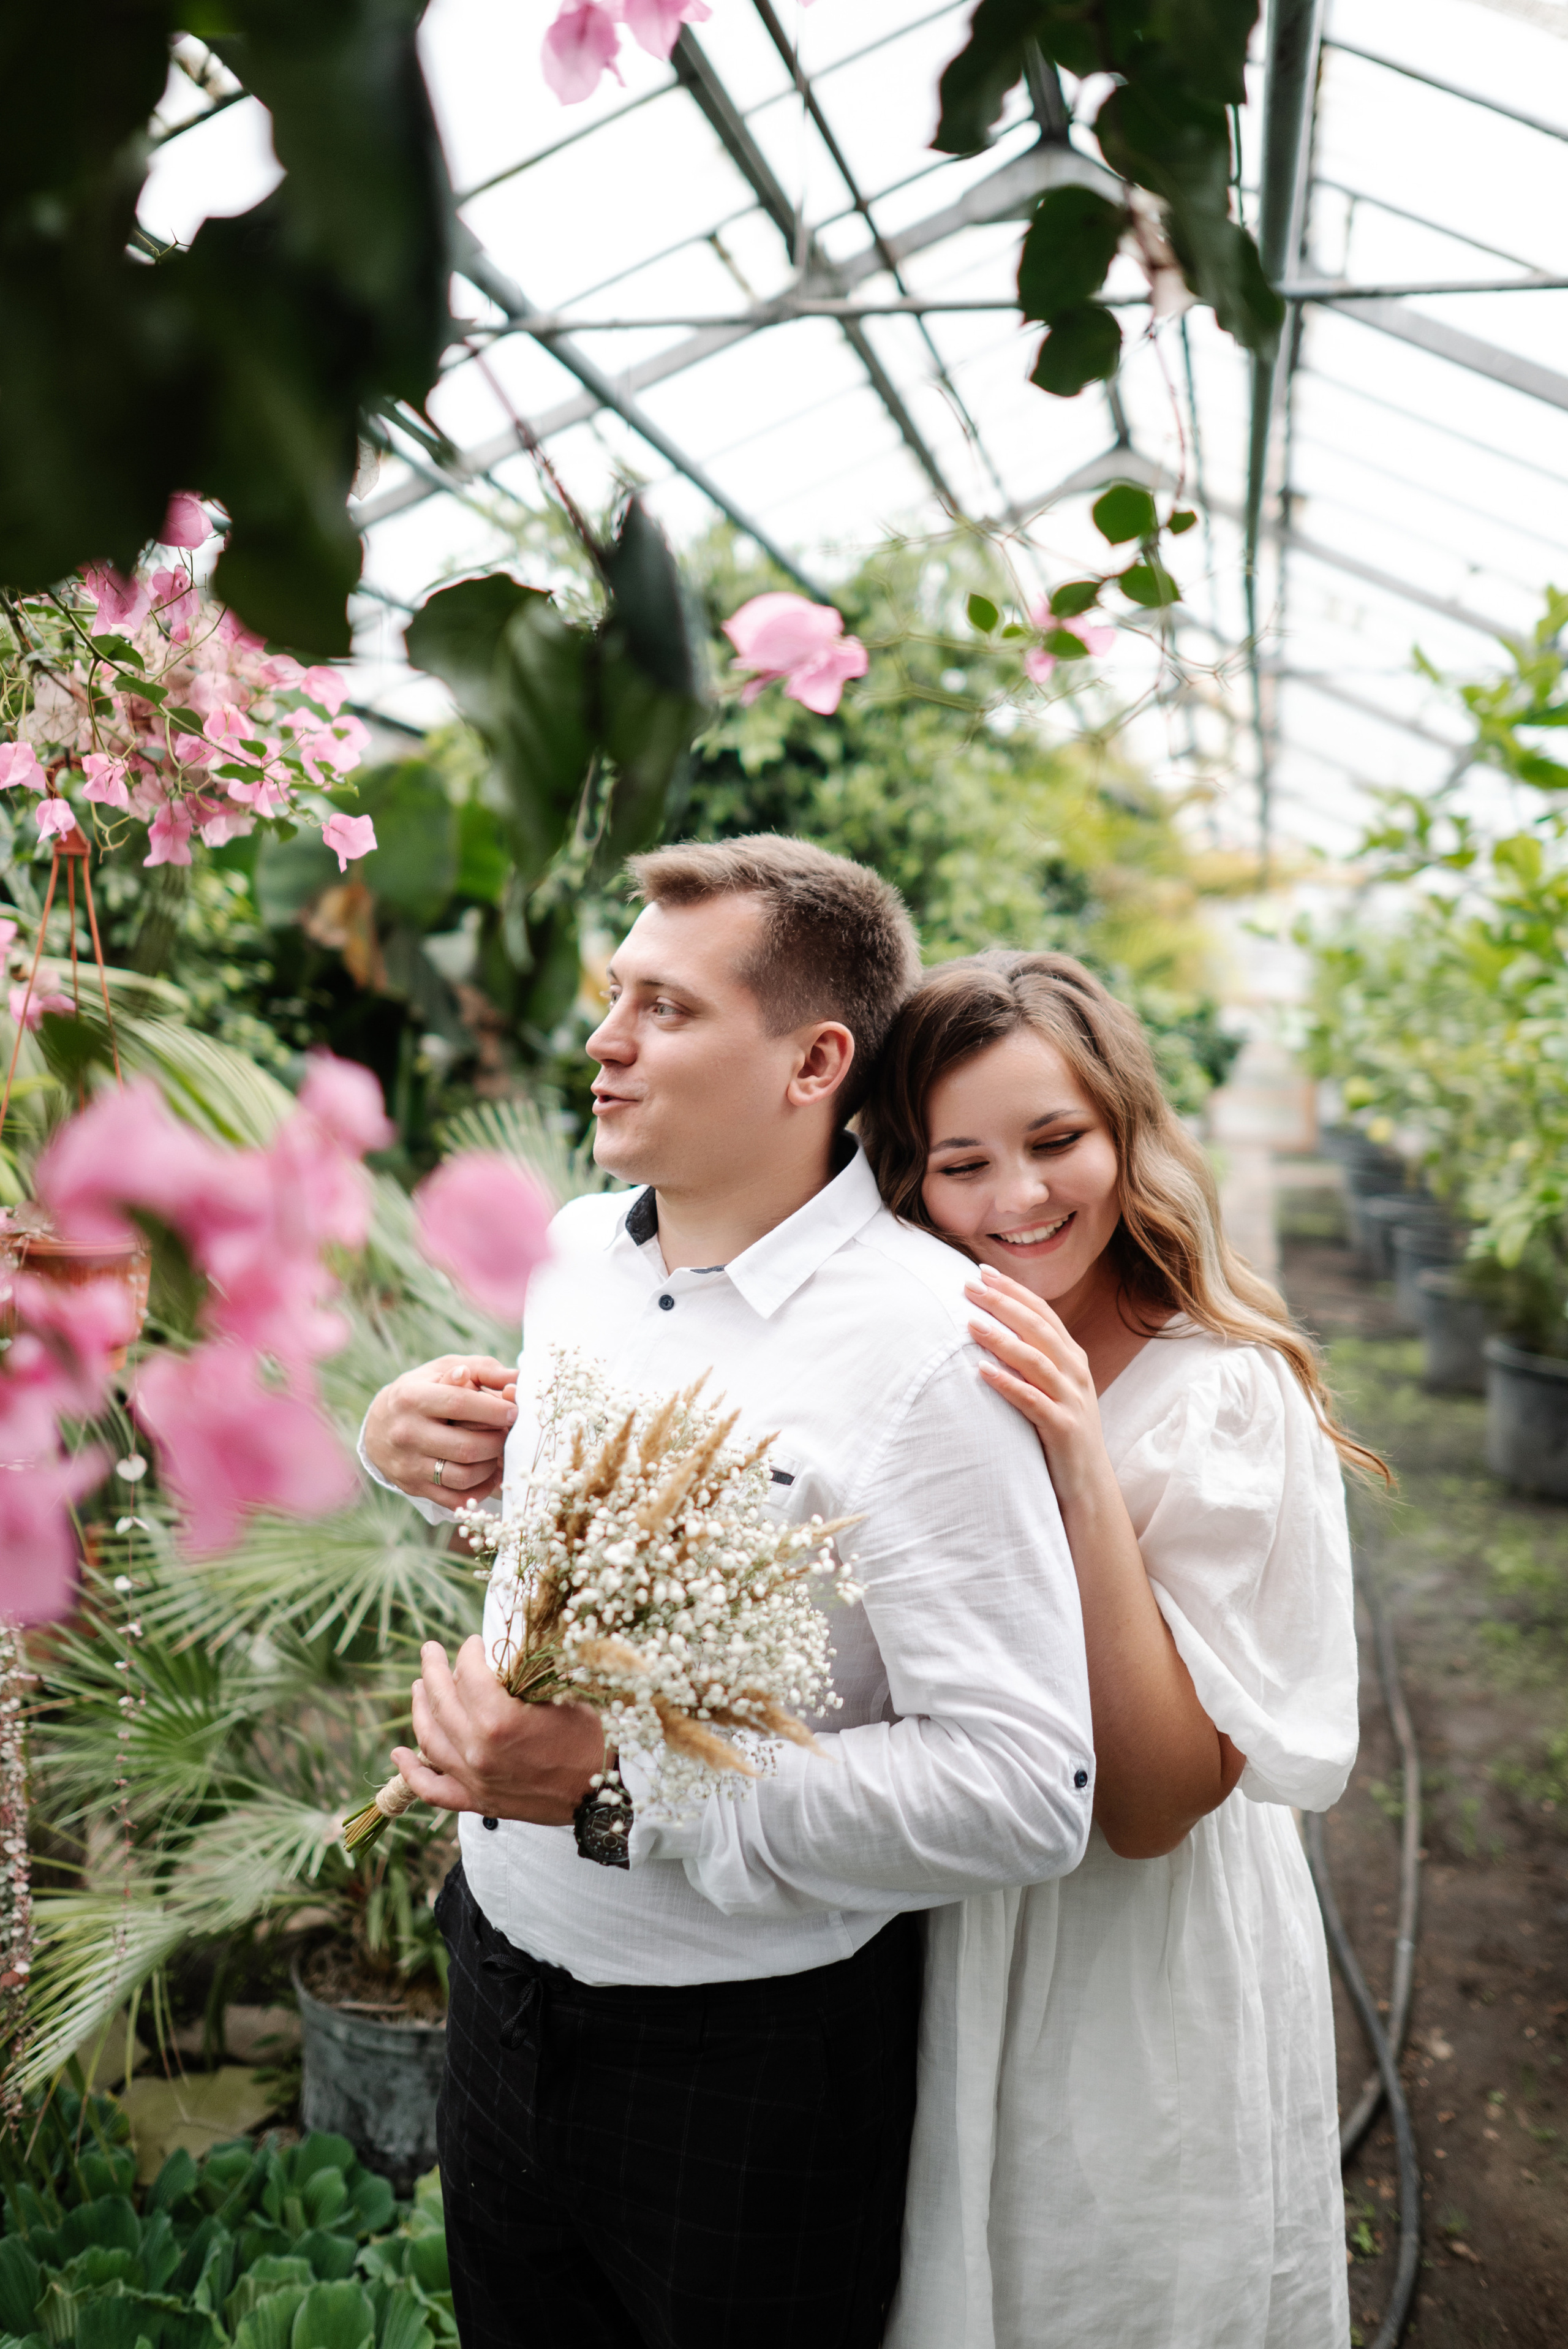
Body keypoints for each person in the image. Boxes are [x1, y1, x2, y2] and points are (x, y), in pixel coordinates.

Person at [360, 841, 1096, 2349]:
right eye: (614, 993)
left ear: (813, 1060)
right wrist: (417, 1457)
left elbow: (1029, 1789)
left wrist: (621, 1790)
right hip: (497, 1971)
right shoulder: (575, 1257)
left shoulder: (929, 1354)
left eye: (665, 1010)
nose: (601, 1041)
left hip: (743, 2063)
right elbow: (599, 1547)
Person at [858, 949, 1368, 2349]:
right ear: (904, 1179)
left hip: (1122, 1956)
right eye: (959, 1163)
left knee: (1100, 2280)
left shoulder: (1220, 1392)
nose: (1015, 1200)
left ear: (1124, 1130)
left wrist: (1080, 1465)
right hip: (931, 1919)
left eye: (1053, 1141)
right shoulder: (901, 1344)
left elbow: (1148, 1809)